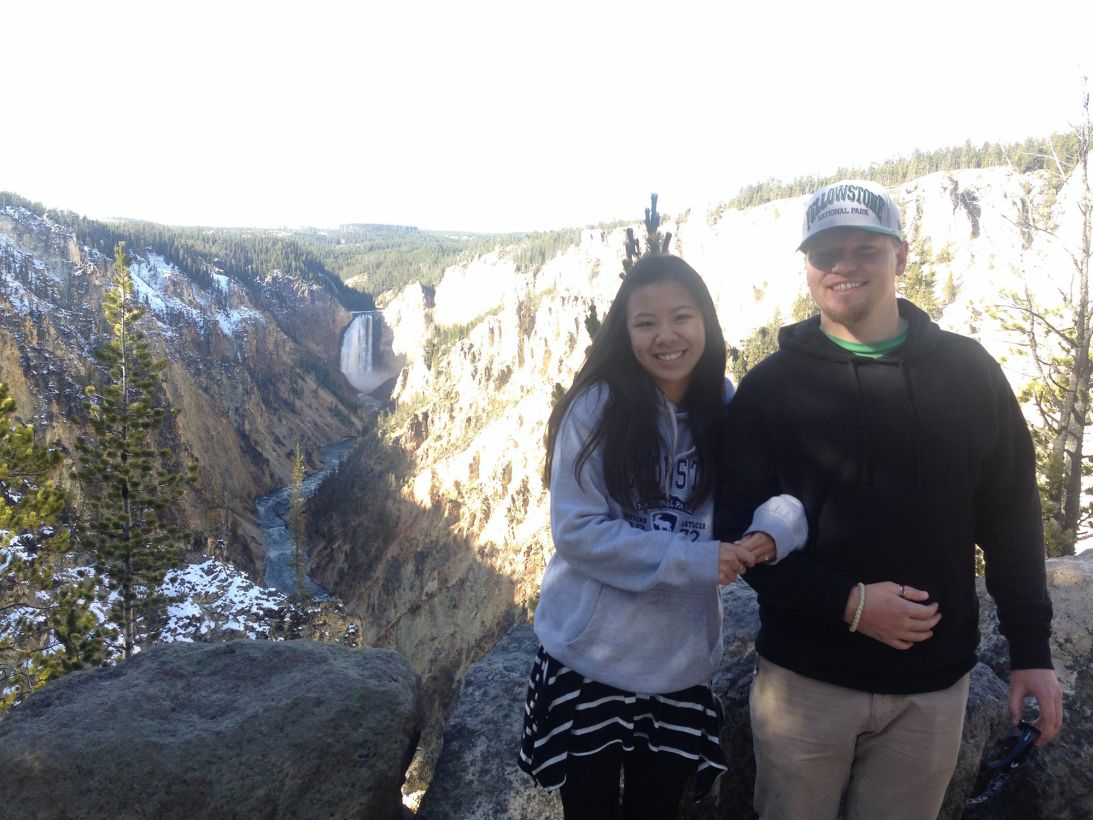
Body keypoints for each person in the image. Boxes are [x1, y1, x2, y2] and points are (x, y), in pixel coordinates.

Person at [714, 179, 1064, 820]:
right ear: (808, 266)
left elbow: (1011, 517)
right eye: (825, 252)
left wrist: (1031, 655)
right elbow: (737, 533)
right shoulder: (771, 389)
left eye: (864, 249)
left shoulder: (969, 375)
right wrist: (848, 604)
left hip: (931, 693)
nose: (843, 265)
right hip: (804, 686)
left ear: (900, 256)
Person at [518, 254, 808, 819]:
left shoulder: (725, 410)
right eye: (645, 322)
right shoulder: (595, 409)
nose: (665, 336)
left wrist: (771, 534)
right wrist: (696, 560)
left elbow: (789, 494)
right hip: (590, 665)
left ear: (706, 322)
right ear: (624, 333)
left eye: (681, 316)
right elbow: (576, 531)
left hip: (678, 670)